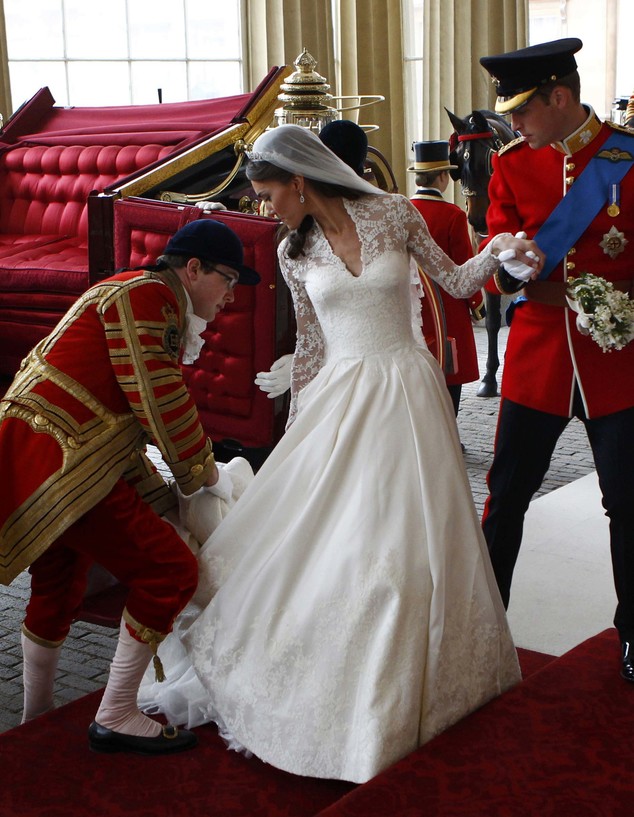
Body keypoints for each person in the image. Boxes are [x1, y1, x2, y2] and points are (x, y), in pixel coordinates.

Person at [139, 123, 544, 783]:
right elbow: (313, 346)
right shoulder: (291, 248)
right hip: (342, 396)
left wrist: (496, 248)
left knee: (409, 545)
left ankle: (421, 682)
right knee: (346, 544)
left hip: (408, 391)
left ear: (299, 179)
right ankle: (342, 681)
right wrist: (300, 429)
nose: (265, 206)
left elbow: (459, 282)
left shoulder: (393, 212)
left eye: (269, 192)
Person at [0, 218, 260, 754]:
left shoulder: (126, 290)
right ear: (192, 270)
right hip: (65, 458)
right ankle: (116, 712)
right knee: (171, 569)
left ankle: (35, 716)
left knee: (59, 583)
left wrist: (166, 498)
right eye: (228, 280)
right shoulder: (150, 300)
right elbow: (158, 398)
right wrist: (202, 472)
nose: (231, 297)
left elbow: (121, 425)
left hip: (49, 451)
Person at [478, 38, 634, 682]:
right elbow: (492, 261)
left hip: (618, 362)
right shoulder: (513, 165)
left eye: (521, 111)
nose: (513, 125)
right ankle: (483, 626)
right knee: (506, 495)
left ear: (560, 96)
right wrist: (509, 264)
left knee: (627, 502)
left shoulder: (626, 159)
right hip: (540, 357)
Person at [408, 139, 481, 417]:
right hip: (446, 307)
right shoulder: (452, 214)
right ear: (442, 176)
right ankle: (448, 434)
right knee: (449, 373)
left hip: (412, 305)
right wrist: (477, 304)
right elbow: (463, 265)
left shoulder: (403, 209)